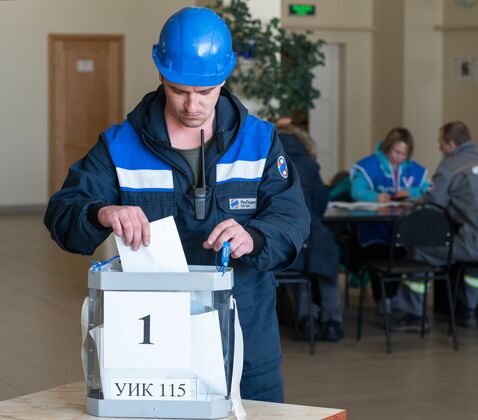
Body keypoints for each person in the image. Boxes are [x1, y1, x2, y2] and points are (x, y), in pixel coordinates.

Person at [44, 7, 310, 403]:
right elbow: (63, 211)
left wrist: (253, 237)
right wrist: (103, 212)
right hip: (150, 346)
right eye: (179, 90)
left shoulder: (260, 142)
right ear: (161, 76)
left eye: (205, 92)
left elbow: (292, 219)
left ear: (224, 78)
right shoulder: (120, 145)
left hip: (245, 343)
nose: (192, 105)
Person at [408, 121, 478, 328]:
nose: (439, 148)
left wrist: (416, 202)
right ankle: (468, 310)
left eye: (440, 143)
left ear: (451, 144)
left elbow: (434, 205)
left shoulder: (451, 164)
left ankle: (414, 314)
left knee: (420, 248)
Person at [349, 127, 430, 322]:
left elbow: (428, 189)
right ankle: (384, 299)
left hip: (401, 229)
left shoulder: (413, 168)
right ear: (387, 148)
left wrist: (410, 193)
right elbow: (356, 191)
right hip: (373, 228)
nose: (399, 157)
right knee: (380, 253)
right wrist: (376, 197)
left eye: (404, 153)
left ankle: (395, 298)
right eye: (396, 152)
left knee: (404, 253)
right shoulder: (370, 165)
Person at [276, 118, 344, 342]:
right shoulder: (308, 163)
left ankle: (307, 320)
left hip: (285, 234)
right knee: (326, 269)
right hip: (315, 232)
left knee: (297, 268)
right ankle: (332, 321)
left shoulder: (269, 160)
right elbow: (321, 201)